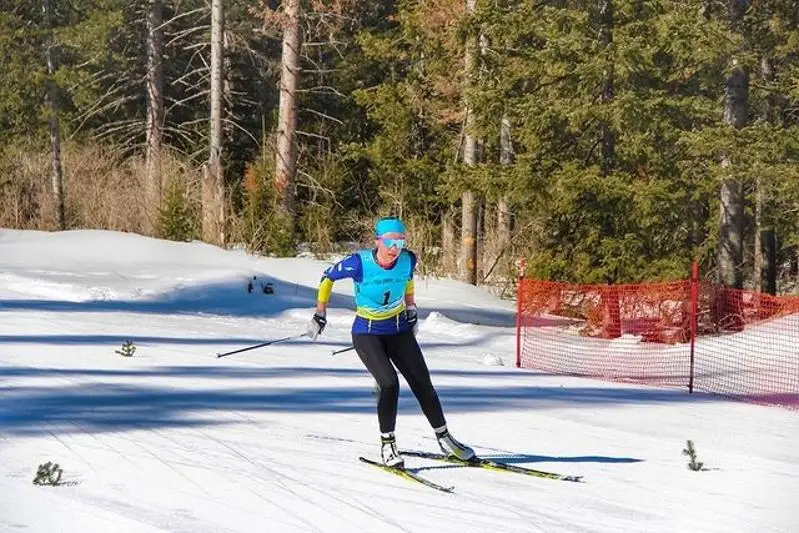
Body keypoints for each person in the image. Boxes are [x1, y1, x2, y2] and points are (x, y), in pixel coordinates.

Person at [307, 216, 474, 469]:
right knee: (389, 383)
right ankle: (388, 444)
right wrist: (320, 313)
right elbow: (327, 277)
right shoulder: (359, 263)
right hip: (367, 333)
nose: (395, 248)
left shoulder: (408, 259)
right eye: (389, 242)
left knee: (423, 383)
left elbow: (407, 279)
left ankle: (445, 438)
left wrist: (411, 307)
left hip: (398, 329)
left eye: (400, 241)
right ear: (378, 241)